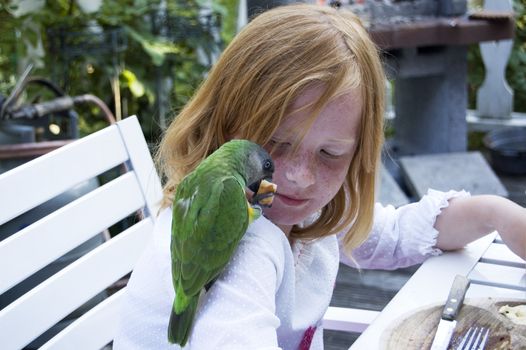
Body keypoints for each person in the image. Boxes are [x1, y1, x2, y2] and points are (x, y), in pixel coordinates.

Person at [113, 3, 526, 349]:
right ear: (225, 128)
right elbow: (230, 328)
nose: (300, 177)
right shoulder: (242, 242)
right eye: (274, 145)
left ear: (357, 156)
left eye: (329, 153)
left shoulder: (297, 212)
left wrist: (498, 214)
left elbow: (392, 234)